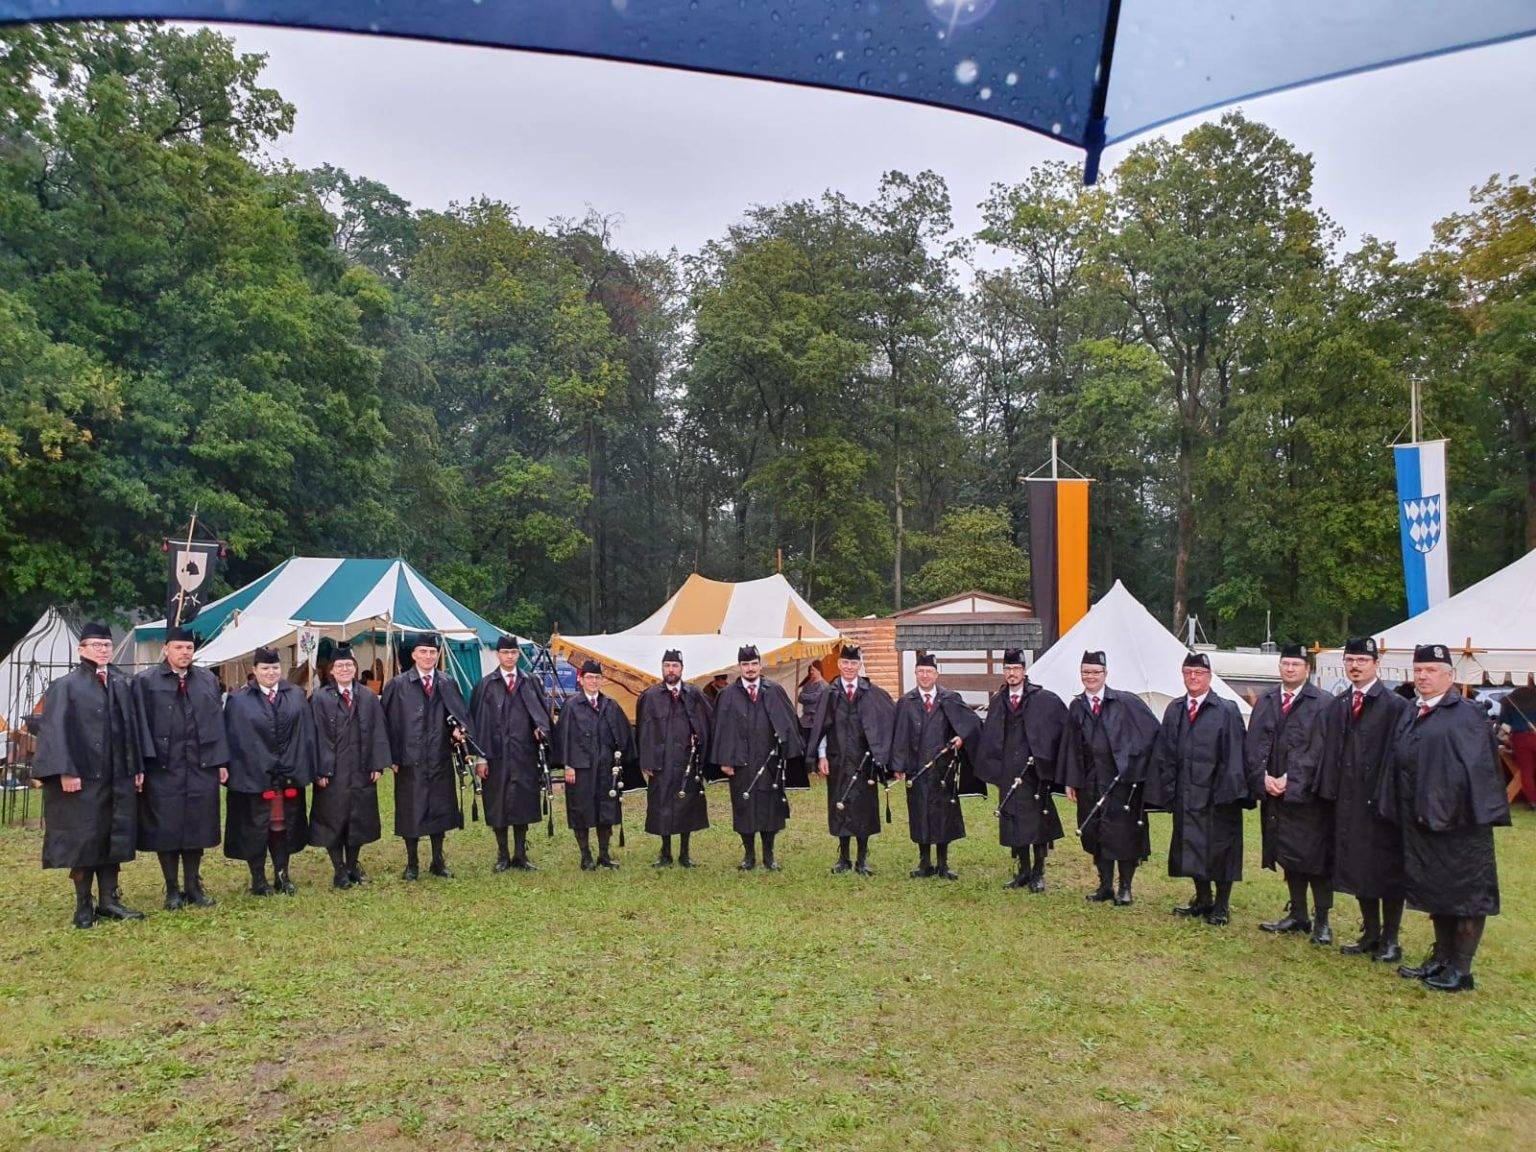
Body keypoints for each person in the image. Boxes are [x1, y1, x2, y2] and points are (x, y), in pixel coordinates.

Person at [1384, 644, 1510, 993]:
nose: (1423, 676)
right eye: (1418, 670)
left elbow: (1479, 772)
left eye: (1431, 670)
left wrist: (1446, 807)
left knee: (1466, 894)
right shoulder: (1413, 711)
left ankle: (1461, 968)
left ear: (1449, 676)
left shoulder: (1466, 714)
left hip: (1459, 826)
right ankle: (1440, 957)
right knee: (1435, 891)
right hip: (1420, 821)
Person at [33, 622, 145, 928]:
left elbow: (132, 728)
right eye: (96, 645)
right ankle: (84, 904)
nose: (103, 650)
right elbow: (54, 730)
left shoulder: (122, 683)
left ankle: (110, 900)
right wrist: (65, 771)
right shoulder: (66, 685)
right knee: (85, 839)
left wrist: (135, 767)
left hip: (117, 775)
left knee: (114, 835)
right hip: (82, 777)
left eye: (107, 645)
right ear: (81, 649)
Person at [1317, 637, 1412, 963]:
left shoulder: (1395, 706)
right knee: (1359, 867)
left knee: (1387, 871)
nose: (1355, 666)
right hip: (1348, 802)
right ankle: (1370, 933)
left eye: (1361, 660)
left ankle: (1391, 938)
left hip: (1383, 803)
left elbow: (1401, 757)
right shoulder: (1339, 704)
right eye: (1350, 660)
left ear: (1375, 664)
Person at [132, 624, 229, 909]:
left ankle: (193, 886)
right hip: (163, 767)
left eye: (189, 648)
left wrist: (221, 760)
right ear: (166, 649)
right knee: (167, 827)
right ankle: (172, 889)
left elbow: (217, 722)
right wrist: (141, 765)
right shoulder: (146, 681)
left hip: (201, 765)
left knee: (197, 827)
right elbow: (138, 726)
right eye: (178, 647)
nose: (184, 653)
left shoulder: (207, 680)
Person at [1149, 651, 1249, 926]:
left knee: (1221, 850)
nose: (1193, 678)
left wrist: (1229, 792)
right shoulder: (1175, 709)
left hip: (1217, 795)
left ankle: (1222, 904)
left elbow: (1236, 754)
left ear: (1209, 676)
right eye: (1188, 673)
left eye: (1199, 673)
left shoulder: (1226, 709)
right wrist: (1168, 790)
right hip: (1186, 792)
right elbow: (1165, 753)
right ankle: (1202, 898)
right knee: (1190, 846)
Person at [1245, 644, 1334, 944]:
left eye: (1296, 664)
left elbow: (1322, 750)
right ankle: (1298, 914)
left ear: (1307, 669)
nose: (1290, 669)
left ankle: (1322, 921)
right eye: (1285, 664)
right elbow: (1254, 742)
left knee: (1315, 859)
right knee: (1287, 855)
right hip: (1274, 795)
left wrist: (1291, 778)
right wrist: (1262, 777)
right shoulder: (1267, 700)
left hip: (1308, 797)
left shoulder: (1322, 702)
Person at [1060, 650, 1160, 906]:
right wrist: (1071, 780)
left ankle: (1125, 887)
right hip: (1091, 780)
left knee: (1124, 835)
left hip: (1121, 783)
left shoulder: (1126, 702)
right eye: (1086, 672)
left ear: (1105, 673)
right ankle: (1105, 885)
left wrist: (1133, 763)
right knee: (1095, 832)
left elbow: (1151, 733)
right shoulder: (1076, 706)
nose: (1090, 677)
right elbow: (1071, 745)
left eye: (1095, 672)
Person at [223, 647, 318, 895]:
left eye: (275, 668)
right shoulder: (238, 700)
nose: (270, 673)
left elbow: (305, 734)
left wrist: (302, 766)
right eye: (264, 668)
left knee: (282, 826)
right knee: (256, 828)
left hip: (287, 774)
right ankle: (258, 879)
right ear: (254, 671)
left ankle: (282, 874)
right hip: (253, 776)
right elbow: (233, 739)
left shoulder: (295, 694)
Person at [382, 633, 475, 880]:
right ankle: (412, 863)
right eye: (423, 652)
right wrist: (390, 757)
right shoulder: (398, 685)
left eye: (432, 652)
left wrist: (459, 730)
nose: (428, 656)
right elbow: (386, 723)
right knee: (410, 810)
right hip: (409, 759)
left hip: (439, 757)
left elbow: (460, 715)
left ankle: (437, 860)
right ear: (413, 655)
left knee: (439, 809)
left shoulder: (447, 682)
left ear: (438, 655)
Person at [974, 649, 1068, 891]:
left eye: (1016, 669)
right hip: (1008, 771)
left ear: (1024, 671)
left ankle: (1038, 872)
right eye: (1007, 669)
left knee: (1037, 823)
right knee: (1014, 822)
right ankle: (1023, 871)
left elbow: (1060, 729)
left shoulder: (1043, 698)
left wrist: (1046, 759)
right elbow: (990, 736)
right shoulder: (998, 700)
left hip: (1034, 773)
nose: (1011, 674)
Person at [710, 645, 807, 871]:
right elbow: (721, 730)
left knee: (769, 808)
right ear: (739, 667)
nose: (750, 668)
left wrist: (786, 750)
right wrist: (725, 760)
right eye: (745, 664)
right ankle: (749, 855)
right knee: (744, 807)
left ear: (760, 665)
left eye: (754, 664)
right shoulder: (727, 695)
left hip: (768, 762)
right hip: (740, 762)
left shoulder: (774, 690)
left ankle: (769, 855)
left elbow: (789, 722)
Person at [806, 644, 896, 876]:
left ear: (859, 665)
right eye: (845, 662)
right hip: (837, 759)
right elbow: (822, 727)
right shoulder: (831, 691)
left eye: (853, 663)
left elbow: (884, 721)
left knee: (864, 808)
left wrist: (881, 755)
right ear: (839, 664)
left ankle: (862, 859)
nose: (849, 667)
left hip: (864, 761)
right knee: (840, 805)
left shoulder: (871, 692)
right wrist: (822, 756)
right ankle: (844, 858)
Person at [889, 653, 981, 880]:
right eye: (921, 671)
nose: (925, 675)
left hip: (943, 769)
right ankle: (924, 862)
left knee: (943, 814)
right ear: (916, 674)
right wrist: (898, 765)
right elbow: (899, 735)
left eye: (929, 671)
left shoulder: (949, 699)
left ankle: (942, 863)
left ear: (936, 674)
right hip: (916, 768)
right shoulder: (906, 702)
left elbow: (971, 723)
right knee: (919, 812)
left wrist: (960, 737)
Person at [309, 642, 392, 889]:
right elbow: (314, 736)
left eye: (348, 665)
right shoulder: (320, 699)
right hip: (331, 772)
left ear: (355, 669)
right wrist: (318, 769)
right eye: (339, 665)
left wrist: (377, 764)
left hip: (361, 767)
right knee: (333, 820)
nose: (344, 669)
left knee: (359, 818)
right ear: (331, 671)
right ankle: (339, 869)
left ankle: (353, 864)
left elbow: (379, 730)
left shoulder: (368, 697)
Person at [469, 636, 552, 872]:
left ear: (518, 655)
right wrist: (480, 757)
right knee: (498, 802)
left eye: (513, 653)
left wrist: (540, 730)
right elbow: (477, 723)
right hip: (495, 756)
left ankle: (521, 854)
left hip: (524, 754)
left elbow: (542, 714)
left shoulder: (530, 682)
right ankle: (503, 854)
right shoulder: (485, 685)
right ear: (498, 654)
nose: (509, 657)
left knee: (523, 802)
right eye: (505, 652)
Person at [551, 659, 637, 870]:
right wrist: (568, 765)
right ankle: (585, 855)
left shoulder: (611, 705)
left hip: (607, 768)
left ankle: (604, 854)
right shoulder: (572, 706)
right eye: (589, 677)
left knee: (606, 810)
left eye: (597, 678)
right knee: (582, 810)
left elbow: (625, 735)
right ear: (581, 679)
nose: (594, 681)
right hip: (580, 769)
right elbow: (563, 738)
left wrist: (622, 760)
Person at [636, 648, 714, 867]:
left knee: (687, 806)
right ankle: (666, 852)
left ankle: (685, 854)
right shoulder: (650, 696)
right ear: (662, 668)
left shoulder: (694, 694)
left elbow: (709, 722)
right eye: (667, 666)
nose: (671, 670)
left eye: (675, 666)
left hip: (687, 762)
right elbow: (643, 730)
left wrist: (700, 738)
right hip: (661, 763)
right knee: (663, 806)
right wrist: (646, 760)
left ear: (682, 669)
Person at [1501, 683, 1536, 809]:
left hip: (1520, 738)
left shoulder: (1510, 701)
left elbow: (1503, 721)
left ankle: (1533, 801)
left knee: (1526, 771)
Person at [798, 664, 827, 748]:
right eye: (810, 670)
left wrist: (807, 696)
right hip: (805, 721)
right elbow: (800, 697)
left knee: (817, 747)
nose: (811, 672)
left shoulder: (824, 685)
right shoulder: (807, 685)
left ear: (819, 671)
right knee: (805, 745)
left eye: (813, 670)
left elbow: (816, 697)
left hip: (817, 720)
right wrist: (808, 697)